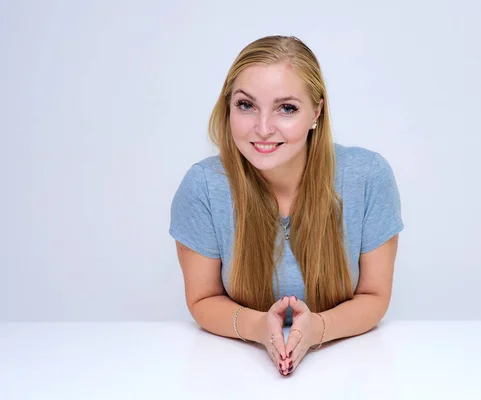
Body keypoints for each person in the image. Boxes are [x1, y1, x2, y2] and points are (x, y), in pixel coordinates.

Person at [169, 35, 404, 376]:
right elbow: (202, 299)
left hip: (353, 367)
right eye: (246, 105)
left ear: (316, 113)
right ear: (228, 107)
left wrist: (318, 329)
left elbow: (375, 295)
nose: (263, 129)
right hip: (232, 370)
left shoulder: (368, 177)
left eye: (287, 108)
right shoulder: (204, 186)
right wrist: (258, 328)